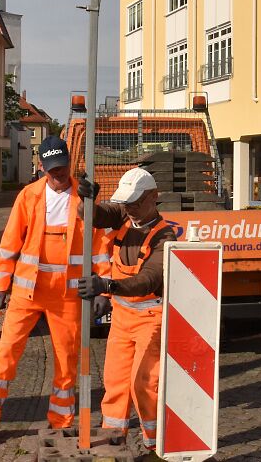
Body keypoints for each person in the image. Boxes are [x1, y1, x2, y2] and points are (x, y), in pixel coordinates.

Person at [0, 136, 112, 446]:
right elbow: (9, 244)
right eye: (52, 170)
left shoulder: (85, 197)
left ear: (70, 165)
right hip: (27, 292)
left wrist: (104, 287)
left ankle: (60, 422)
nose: (58, 175)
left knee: (67, 359)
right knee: (6, 353)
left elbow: (101, 245)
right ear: (41, 168)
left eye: (62, 169)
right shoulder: (28, 196)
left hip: (67, 294)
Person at [76, 167, 177, 455]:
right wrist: (86, 201)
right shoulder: (123, 215)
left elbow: (148, 280)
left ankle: (155, 444)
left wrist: (107, 285)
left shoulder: (164, 237)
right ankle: (112, 441)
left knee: (144, 384)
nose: (130, 208)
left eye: (136, 202)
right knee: (115, 382)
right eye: (127, 202)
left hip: (150, 319)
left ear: (153, 197)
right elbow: (94, 216)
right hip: (122, 318)